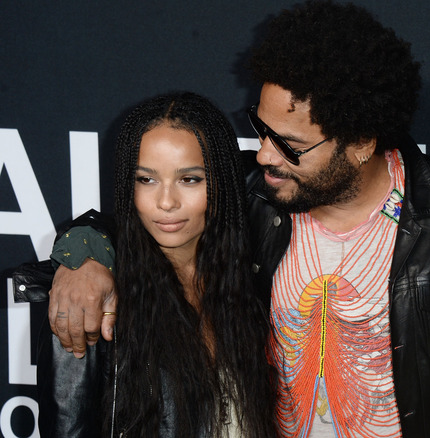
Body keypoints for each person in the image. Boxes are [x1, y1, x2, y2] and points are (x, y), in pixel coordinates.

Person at [45, 1, 430, 436]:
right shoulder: (255, 198)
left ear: (361, 142)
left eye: (290, 144)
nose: (264, 154)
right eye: (261, 130)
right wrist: (83, 254)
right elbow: (146, 220)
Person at [33, 92, 276, 437]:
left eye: (190, 179)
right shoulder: (89, 299)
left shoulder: (251, 278)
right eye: (146, 179)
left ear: (223, 182)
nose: (166, 202)